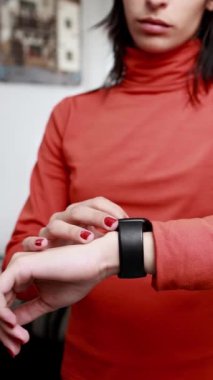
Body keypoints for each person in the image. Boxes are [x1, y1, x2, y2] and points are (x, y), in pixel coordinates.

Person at [0, 0, 213, 378]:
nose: (155, 1)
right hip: (87, 369)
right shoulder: (70, 114)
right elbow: (21, 256)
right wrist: (50, 251)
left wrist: (112, 253)